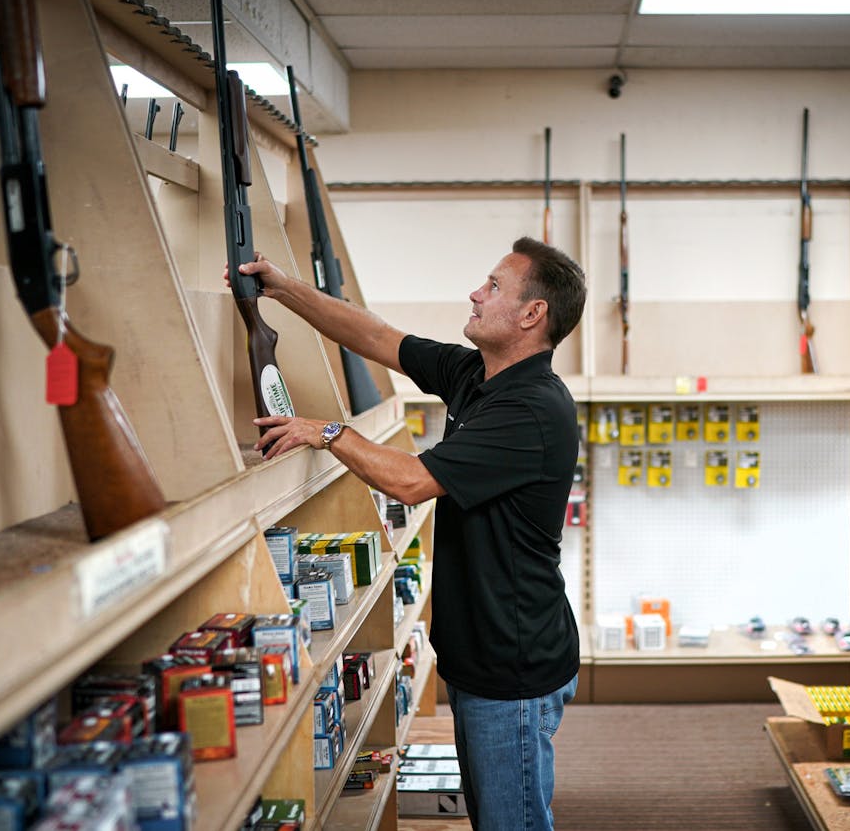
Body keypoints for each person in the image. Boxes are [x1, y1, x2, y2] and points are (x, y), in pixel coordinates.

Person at [231, 237, 586, 830]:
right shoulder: (478, 374)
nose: (476, 293)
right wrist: (283, 287)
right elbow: (376, 337)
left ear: (532, 315)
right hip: (482, 657)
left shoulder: (531, 407)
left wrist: (326, 432)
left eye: (494, 286)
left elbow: (411, 481)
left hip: (513, 667)